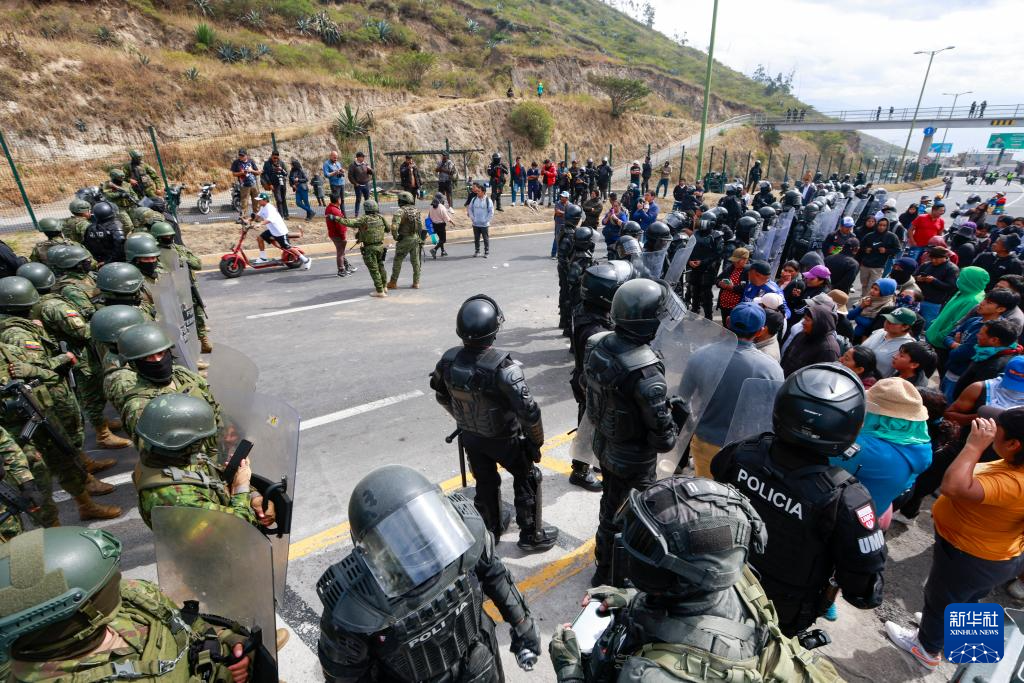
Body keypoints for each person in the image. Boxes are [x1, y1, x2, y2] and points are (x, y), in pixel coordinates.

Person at [549, 476, 842, 683]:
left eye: (647, 549)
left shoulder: (652, 676)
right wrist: (631, 598)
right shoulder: (735, 578)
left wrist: (570, 671)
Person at [317, 465, 541, 682]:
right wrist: (522, 624)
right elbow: (344, 675)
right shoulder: (355, 604)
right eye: (398, 535)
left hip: (480, 662)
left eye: (417, 524)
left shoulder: (464, 535)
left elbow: (494, 574)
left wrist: (522, 624)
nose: (413, 543)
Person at [712, 363, 886, 637]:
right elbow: (862, 590)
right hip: (778, 615)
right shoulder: (847, 499)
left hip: (721, 580)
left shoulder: (743, 451)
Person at [0, 527, 255, 683]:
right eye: (104, 583)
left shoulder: (132, 599)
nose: (119, 580)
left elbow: (183, 622)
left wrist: (226, 640)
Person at [885, 408, 1024, 671]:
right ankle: (970, 647)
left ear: (1014, 444)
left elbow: (952, 487)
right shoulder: (1015, 464)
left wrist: (974, 446)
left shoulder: (1015, 483)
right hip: (996, 557)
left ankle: (926, 648)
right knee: (968, 598)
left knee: (940, 600)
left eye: (998, 431)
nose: (990, 432)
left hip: (970, 556)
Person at [429, 295, 557, 551]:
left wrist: (463, 419)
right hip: (505, 439)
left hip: (471, 438)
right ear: (493, 330)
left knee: (485, 482)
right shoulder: (504, 368)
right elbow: (529, 412)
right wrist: (536, 443)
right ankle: (531, 534)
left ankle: (491, 529)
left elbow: (441, 395)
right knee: (527, 477)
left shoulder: (448, 361)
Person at [132, 393, 265, 529]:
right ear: (184, 441)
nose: (202, 443)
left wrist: (254, 496)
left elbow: (211, 477)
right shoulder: (180, 499)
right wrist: (241, 487)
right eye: (199, 440)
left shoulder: (165, 457)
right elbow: (239, 527)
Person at [686, 303, 784, 477]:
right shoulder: (771, 368)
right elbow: (772, 414)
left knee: (706, 489)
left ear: (728, 321)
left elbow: (682, 399)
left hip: (705, 441)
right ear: (760, 331)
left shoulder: (700, 355)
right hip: (746, 449)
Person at [568, 261, 634, 492]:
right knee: (589, 423)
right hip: (591, 384)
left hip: (584, 378)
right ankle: (579, 470)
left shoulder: (586, 309)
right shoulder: (595, 331)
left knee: (592, 422)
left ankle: (591, 458)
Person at [834, 378, 931, 522]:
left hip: (842, 517)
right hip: (876, 513)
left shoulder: (863, 447)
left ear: (881, 418)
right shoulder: (922, 445)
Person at [942, 288, 1020, 400]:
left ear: (1001, 309)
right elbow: (947, 337)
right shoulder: (973, 321)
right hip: (951, 370)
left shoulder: (995, 331)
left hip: (961, 375)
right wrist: (955, 345)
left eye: (989, 302)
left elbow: (958, 354)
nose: (982, 303)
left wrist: (955, 346)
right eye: (984, 299)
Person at [925, 266, 991, 355]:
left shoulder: (973, 300)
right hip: (934, 333)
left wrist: (940, 336)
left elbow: (957, 323)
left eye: (961, 277)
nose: (958, 279)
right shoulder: (963, 291)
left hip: (940, 343)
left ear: (969, 280)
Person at [952, 319, 1022, 399]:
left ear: (994, 340)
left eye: (981, 334)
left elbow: (980, 395)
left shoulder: (993, 366)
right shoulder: (987, 353)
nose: (977, 335)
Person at [335, 199, 389, 297]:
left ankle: (380, 291)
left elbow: (349, 222)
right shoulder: (381, 217)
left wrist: (336, 218)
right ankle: (384, 286)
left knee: (374, 270)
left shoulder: (364, 219)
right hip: (380, 247)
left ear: (366, 209)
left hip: (369, 248)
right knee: (381, 266)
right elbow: (388, 229)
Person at [252, 193, 311, 270]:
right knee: (260, 238)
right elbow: (257, 216)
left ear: (265, 200)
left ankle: (306, 260)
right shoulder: (263, 207)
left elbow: (270, 219)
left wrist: (260, 224)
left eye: (260, 200)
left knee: (288, 247)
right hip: (272, 231)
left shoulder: (270, 208)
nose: (258, 201)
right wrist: (249, 220)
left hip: (280, 232)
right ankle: (263, 258)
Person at [685, 214, 725, 319]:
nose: (702, 223)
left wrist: (702, 262)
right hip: (694, 268)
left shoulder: (716, 236)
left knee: (706, 294)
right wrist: (689, 261)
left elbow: (718, 253)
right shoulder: (695, 234)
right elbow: (688, 249)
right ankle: (694, 310)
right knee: (694, 290)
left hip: (708, 269)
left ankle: (708, 316)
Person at [860, 307, 916, 377]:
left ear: (905, 327)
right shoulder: (879, 331)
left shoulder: (909, 346)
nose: (886, 323)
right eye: (887, 319)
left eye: (892, 322)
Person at [387, 191, 423, 290]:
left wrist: (396, 237)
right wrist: (420, 238)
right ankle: (416, 282)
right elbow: (420, 226)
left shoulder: (400, 211)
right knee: (416, 261)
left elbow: (394, 227)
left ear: (402, 201)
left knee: (398, 260)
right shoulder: (416, 211)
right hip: (415, 238)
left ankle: (393, 282)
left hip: (404, 239)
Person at [914, 246, 959, 324]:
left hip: (934, 303)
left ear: (944, 257)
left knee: (926, 324)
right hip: (918, 299)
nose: (933, 260)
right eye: (932, 258)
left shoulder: (951, 269)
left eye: (936, 259)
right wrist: (917, 278)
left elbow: (951, 287)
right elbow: (912, 277)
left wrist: (934, 281)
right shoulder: (926, 265)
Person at [858, 216, 901, 294]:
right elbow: (860, 246)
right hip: (865, 265)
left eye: (884, 225)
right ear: (877, 225)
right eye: (880, 225)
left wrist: (886, 251)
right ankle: (863, 297)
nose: (881, 227)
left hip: (878, 266)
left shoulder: (891, 237)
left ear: (887, 226)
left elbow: (897, 249)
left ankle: (866, 299)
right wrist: (865, 249)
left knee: (871, 286)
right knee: (864, 284)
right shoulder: (870, 235)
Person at [847, 277, 896, 342]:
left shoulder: (887, 308)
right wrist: (861, 307)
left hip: (867, 340)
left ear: (885, 292)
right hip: (855, 334)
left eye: (876, 289)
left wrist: (857, 316)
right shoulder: (868, 299)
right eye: (872, 287)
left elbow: (873, 326)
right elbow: (849, 316)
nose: (871, 290)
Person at [717, 247, 749, 325]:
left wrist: (732, 287)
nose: (735, 263)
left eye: (737, 261)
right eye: (734, 261)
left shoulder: (748, 271)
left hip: (736, 308)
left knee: (734, 326)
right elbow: (718, 279)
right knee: (725, 324)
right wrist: (720, 283)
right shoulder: (731, 268)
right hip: (724, 305)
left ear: (745, 260)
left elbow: (746, 288)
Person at [325, 193, 355, 277]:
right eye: (340, 199)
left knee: (341, 252)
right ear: (338, 200)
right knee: (340, 252)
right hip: (337, 235)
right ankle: (341, 270)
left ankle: (346, 266)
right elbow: (340, 226)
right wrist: (343, 237)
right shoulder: (336, 211)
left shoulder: (329, 208)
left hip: (333, 233)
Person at [467, 182, 494, 258]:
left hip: (484, 224)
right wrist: (473, 218)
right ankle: (477, 251)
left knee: (485, 238)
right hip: (475, 224)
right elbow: (470, 209)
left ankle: (486, 252)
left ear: (483, 192)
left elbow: (491, 212)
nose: (477, 192)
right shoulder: (474, 199)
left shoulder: (488, 201)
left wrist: (486, 220)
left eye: (479, 191)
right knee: (476, 238)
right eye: (477, 191)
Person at [231, 148, 260, 216]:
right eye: (240, 155)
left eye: (242, 155)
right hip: (244, 186)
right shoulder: (236, 162)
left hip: (254, 185)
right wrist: (242, 173)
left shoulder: (251, 161)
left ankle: (256, 216)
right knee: (244, 202)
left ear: (246, 155)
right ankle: (244, 217)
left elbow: (258, 172)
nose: (241, 157)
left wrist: (251, 170)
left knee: (256, 201)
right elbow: (234, 174)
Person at [261, 149, 289, 219]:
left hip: (282, 183)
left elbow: (286, 173)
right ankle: (281, 215)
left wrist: (281, 169)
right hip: (274, 184)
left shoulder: (281, 163)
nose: (275, 159)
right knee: (279, 200)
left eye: (277, 158)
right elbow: (265, 175)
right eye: (274, 158)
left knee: (283, 198)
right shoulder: (267, 163)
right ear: (271, 156)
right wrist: (270, 184)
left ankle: (286, 214)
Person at [600, 194, 628, 259]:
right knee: (610, 251)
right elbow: (603, 222)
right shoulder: (609, 213)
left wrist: (615, 218)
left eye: (616, 206)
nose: (614, 207)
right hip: (608, 236)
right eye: (613, 206)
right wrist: (609, 216)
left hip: (616, 237)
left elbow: (623, 224)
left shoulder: (622, 214)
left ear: (619, 206)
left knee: (616, 252)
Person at [428, 192, 454, 259]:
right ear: (440, 199)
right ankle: (434, 249)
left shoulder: (431, 206)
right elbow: (446, 217)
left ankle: (443, 251)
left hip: (434, 225)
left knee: (440, 239)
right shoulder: (441, 207)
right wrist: (452, 222)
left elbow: (429, 216)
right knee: (443, 240)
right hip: (441, 225)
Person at [347, 151, 373, 217]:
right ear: (358, 157)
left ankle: (368, 213)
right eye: (362, 157)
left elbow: (372, 173)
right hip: (358, 186)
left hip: (366, 184)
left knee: (367, 200)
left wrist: (370, 169)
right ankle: (356, 214)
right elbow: (350, 176)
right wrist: (355, 183)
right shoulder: (353, 165)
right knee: (358, 199)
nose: (363, 158)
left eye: (363, 157)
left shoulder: (365, 164)